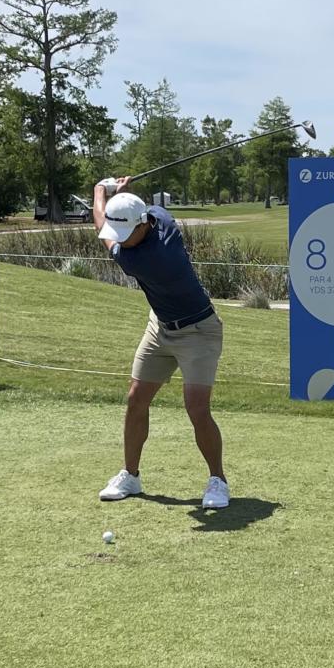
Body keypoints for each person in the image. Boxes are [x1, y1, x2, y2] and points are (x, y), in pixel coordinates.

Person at [91, 177, 229, 508]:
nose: (122, 240)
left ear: (141, 225)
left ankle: (218, 481)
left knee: (197, 408)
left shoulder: (143, 259)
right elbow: (117, 221)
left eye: (125, 234)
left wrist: (100, 191)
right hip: (160, 327)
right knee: (136, 398)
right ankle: (131, 475)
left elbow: (100, 223)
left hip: (199, 331)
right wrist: (123, 195)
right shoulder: (161, 218)